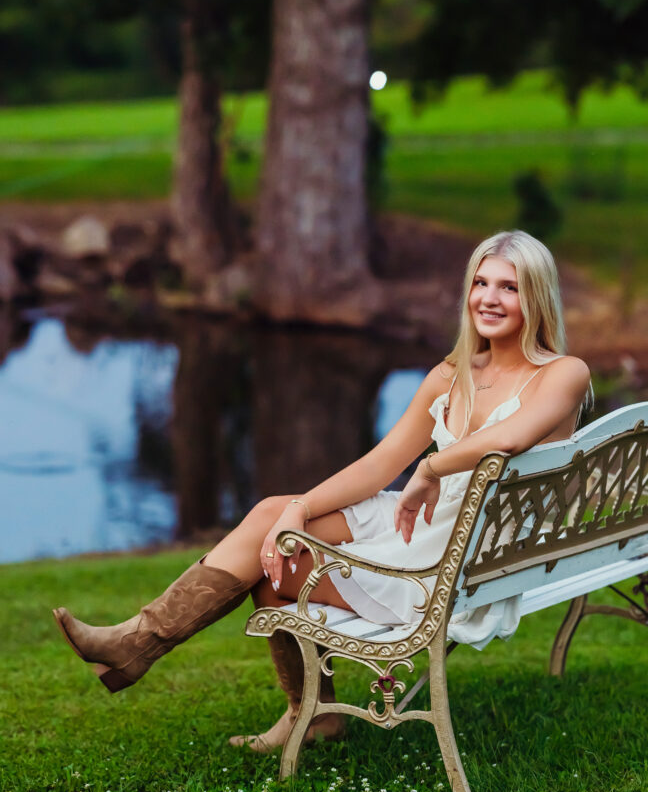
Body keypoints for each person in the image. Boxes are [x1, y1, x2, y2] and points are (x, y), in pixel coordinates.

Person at [53, 230, 591, 752]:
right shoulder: (451, 375)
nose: (489, 298)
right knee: (275, 516)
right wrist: (302, 508)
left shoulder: (563, 373)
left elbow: (510, 437)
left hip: (461, 553)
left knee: (276, 563)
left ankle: (301, 709)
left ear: (536, 297)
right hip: (432, 522)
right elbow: (380, 464)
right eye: (480, 283)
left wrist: (431, 468)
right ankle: (141, 642)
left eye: (508, 287)